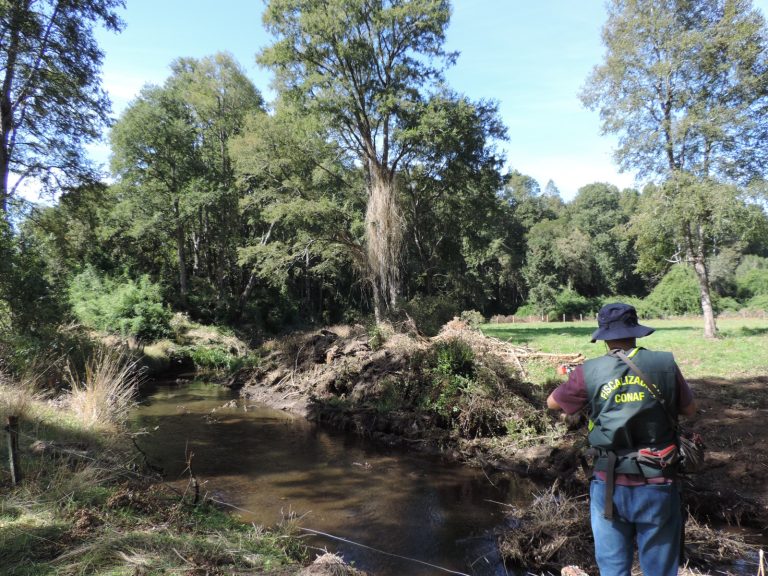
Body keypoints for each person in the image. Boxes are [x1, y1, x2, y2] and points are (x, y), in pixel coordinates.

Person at [547, 302, 696, 576]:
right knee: (660, 571)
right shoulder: (665, 364)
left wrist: (585, 384)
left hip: (609, 486)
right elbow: (689, 409)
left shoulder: (588, 372)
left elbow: (552, 403)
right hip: (658, 481)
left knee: (613, 570)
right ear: (635, 331)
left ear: (603, 335)